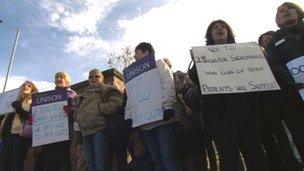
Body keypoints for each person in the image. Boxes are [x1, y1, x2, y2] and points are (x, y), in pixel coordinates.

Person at [187, 19, 267, 171]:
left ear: (228, 31)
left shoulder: (244, 52)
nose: (220, 28)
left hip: (247, 112)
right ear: (210, 35)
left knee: (255, 155)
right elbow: (197, 80)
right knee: (228, 158)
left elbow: (258, 77)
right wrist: (197, 62)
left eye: (223, 26)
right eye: (215, 27)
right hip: (221, 116)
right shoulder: (203, 56)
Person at [131, 42, 181, 171]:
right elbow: (132, 97)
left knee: (167, 157)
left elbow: (167, 84)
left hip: (163, 121)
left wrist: (168, 106)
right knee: (156, 159)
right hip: (146, 124)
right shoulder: (134, 74)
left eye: (136, 53)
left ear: (146, 52)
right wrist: (129, 115)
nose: (134, 57)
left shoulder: (159, 64)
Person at [266, 2, 304, 169]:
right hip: (295, 101)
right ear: (277, 21)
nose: (286, 11)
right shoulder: (274, 44)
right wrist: (294, 83)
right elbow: (276, 67)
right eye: (281, 11)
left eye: (289, 8)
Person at [75, 69, 124, 171]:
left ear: (102, 78)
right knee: (90, 163)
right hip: (85, 132)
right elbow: (78, 111)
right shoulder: (84, 95)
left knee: (100, 163)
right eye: (91, 77)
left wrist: (100, 109)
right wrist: (77, 117)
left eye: (96, 76)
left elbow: (117, 103)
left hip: (100, 130)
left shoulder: (107, 88)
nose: (93, 78)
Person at [42, 71, 77, 171]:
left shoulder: (72, 94)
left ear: (67, 80)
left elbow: (78, 110)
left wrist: (72, 111)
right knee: (49, 163)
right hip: (49, 135)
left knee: (63, 161)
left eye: (61, 77)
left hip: (64, 133)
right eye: (57, 77)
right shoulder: (47, 96)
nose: (58, 78)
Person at [1, 81, 38, 171]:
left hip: (21, 136)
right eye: (24, 85)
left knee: (16, 164)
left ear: (33, 90)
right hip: (7, 135)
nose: (26, 86)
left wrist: (19, 108)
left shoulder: (33, 101)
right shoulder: (12, 100)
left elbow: (31, 117)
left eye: (29, 86)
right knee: (5, 163)